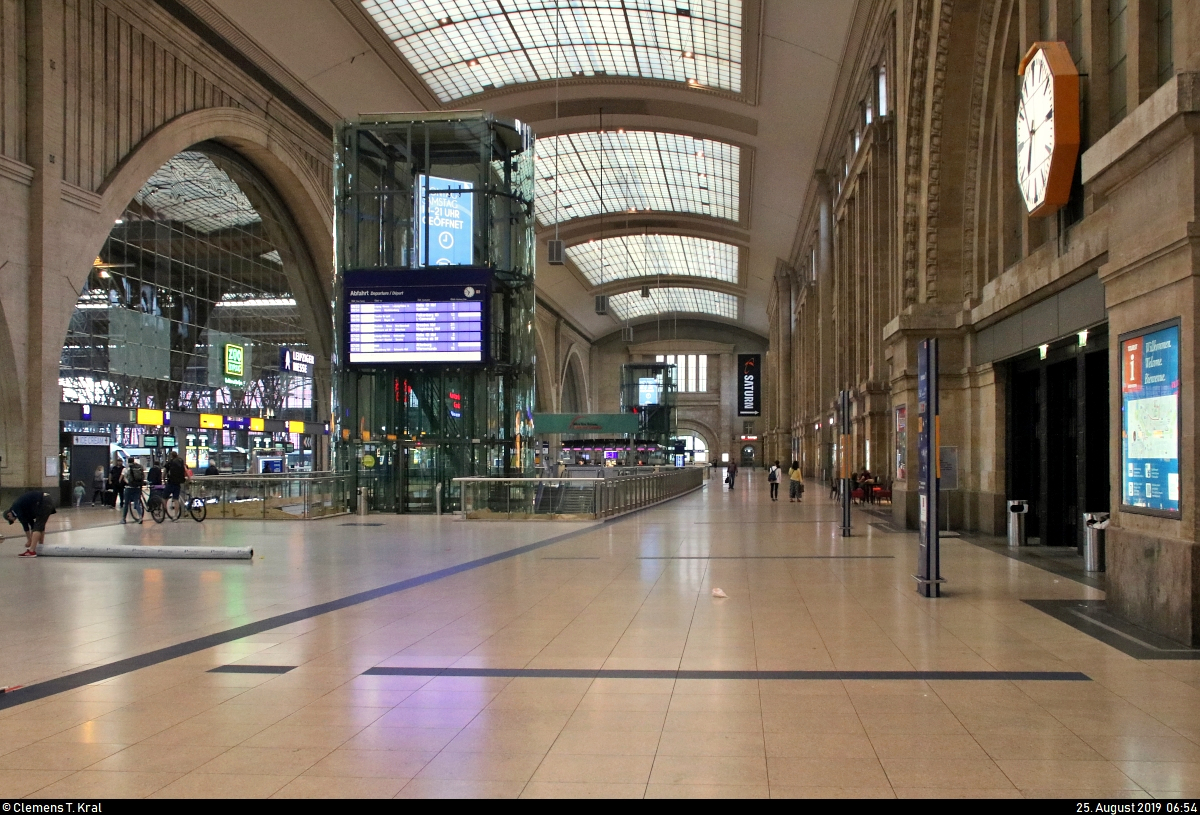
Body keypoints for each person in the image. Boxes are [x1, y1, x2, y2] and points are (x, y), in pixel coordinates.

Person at [4, 490, 56, 557]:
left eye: (11, 520)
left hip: (43, 501)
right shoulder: (21, 509)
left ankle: (31, 551)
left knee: (38, 526)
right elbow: (32, 524)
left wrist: (29, 540)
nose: (14, 520)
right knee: (39, 526)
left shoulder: (15, 508)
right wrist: (30, 539)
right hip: (46, 499)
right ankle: (40, 547)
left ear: (9, 515)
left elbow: (25, 525)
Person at [121, 458, 146, 524]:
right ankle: (140, 517)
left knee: (126, 503)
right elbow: (143, 476)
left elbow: (124, 478)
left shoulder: (126, 469)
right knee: (136, 502)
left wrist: (128, 482)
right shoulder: (139, 467)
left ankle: (123, 519)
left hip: (129, 487)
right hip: (137, 487)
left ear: (128, 461)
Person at [165, 450, 187, 520]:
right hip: (178, 483)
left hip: (170, 482)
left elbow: (164, 472)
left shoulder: (170, 462)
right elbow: (185, 470)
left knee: (164, 497)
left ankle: (164, 513)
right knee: (176, 499)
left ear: (171, 456)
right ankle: (175, 516)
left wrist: (163, 478)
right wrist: (189, 479)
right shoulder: (181, 462)